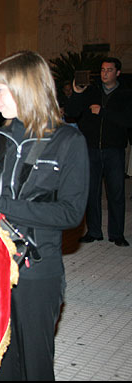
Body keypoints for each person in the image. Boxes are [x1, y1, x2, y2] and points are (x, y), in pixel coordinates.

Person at [0, 50, 89, 380]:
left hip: (37, 272)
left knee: (35, 366)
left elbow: (71, 214)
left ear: (27, 89)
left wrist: (1, 205)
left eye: (1, 90)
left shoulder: (68, 141)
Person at [64, 57, 132, 246]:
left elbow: (128, 120)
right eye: (102, 70)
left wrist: (103, 112)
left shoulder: (125, 94)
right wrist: (77, 92)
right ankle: (94, 231)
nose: (105, 73)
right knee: (91, 191)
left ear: (117, 73)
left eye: (109, 70)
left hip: (114, 149)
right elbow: (71, 112)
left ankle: (117, 234)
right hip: (91, 148)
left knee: (116, 193)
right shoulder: (91, 91)